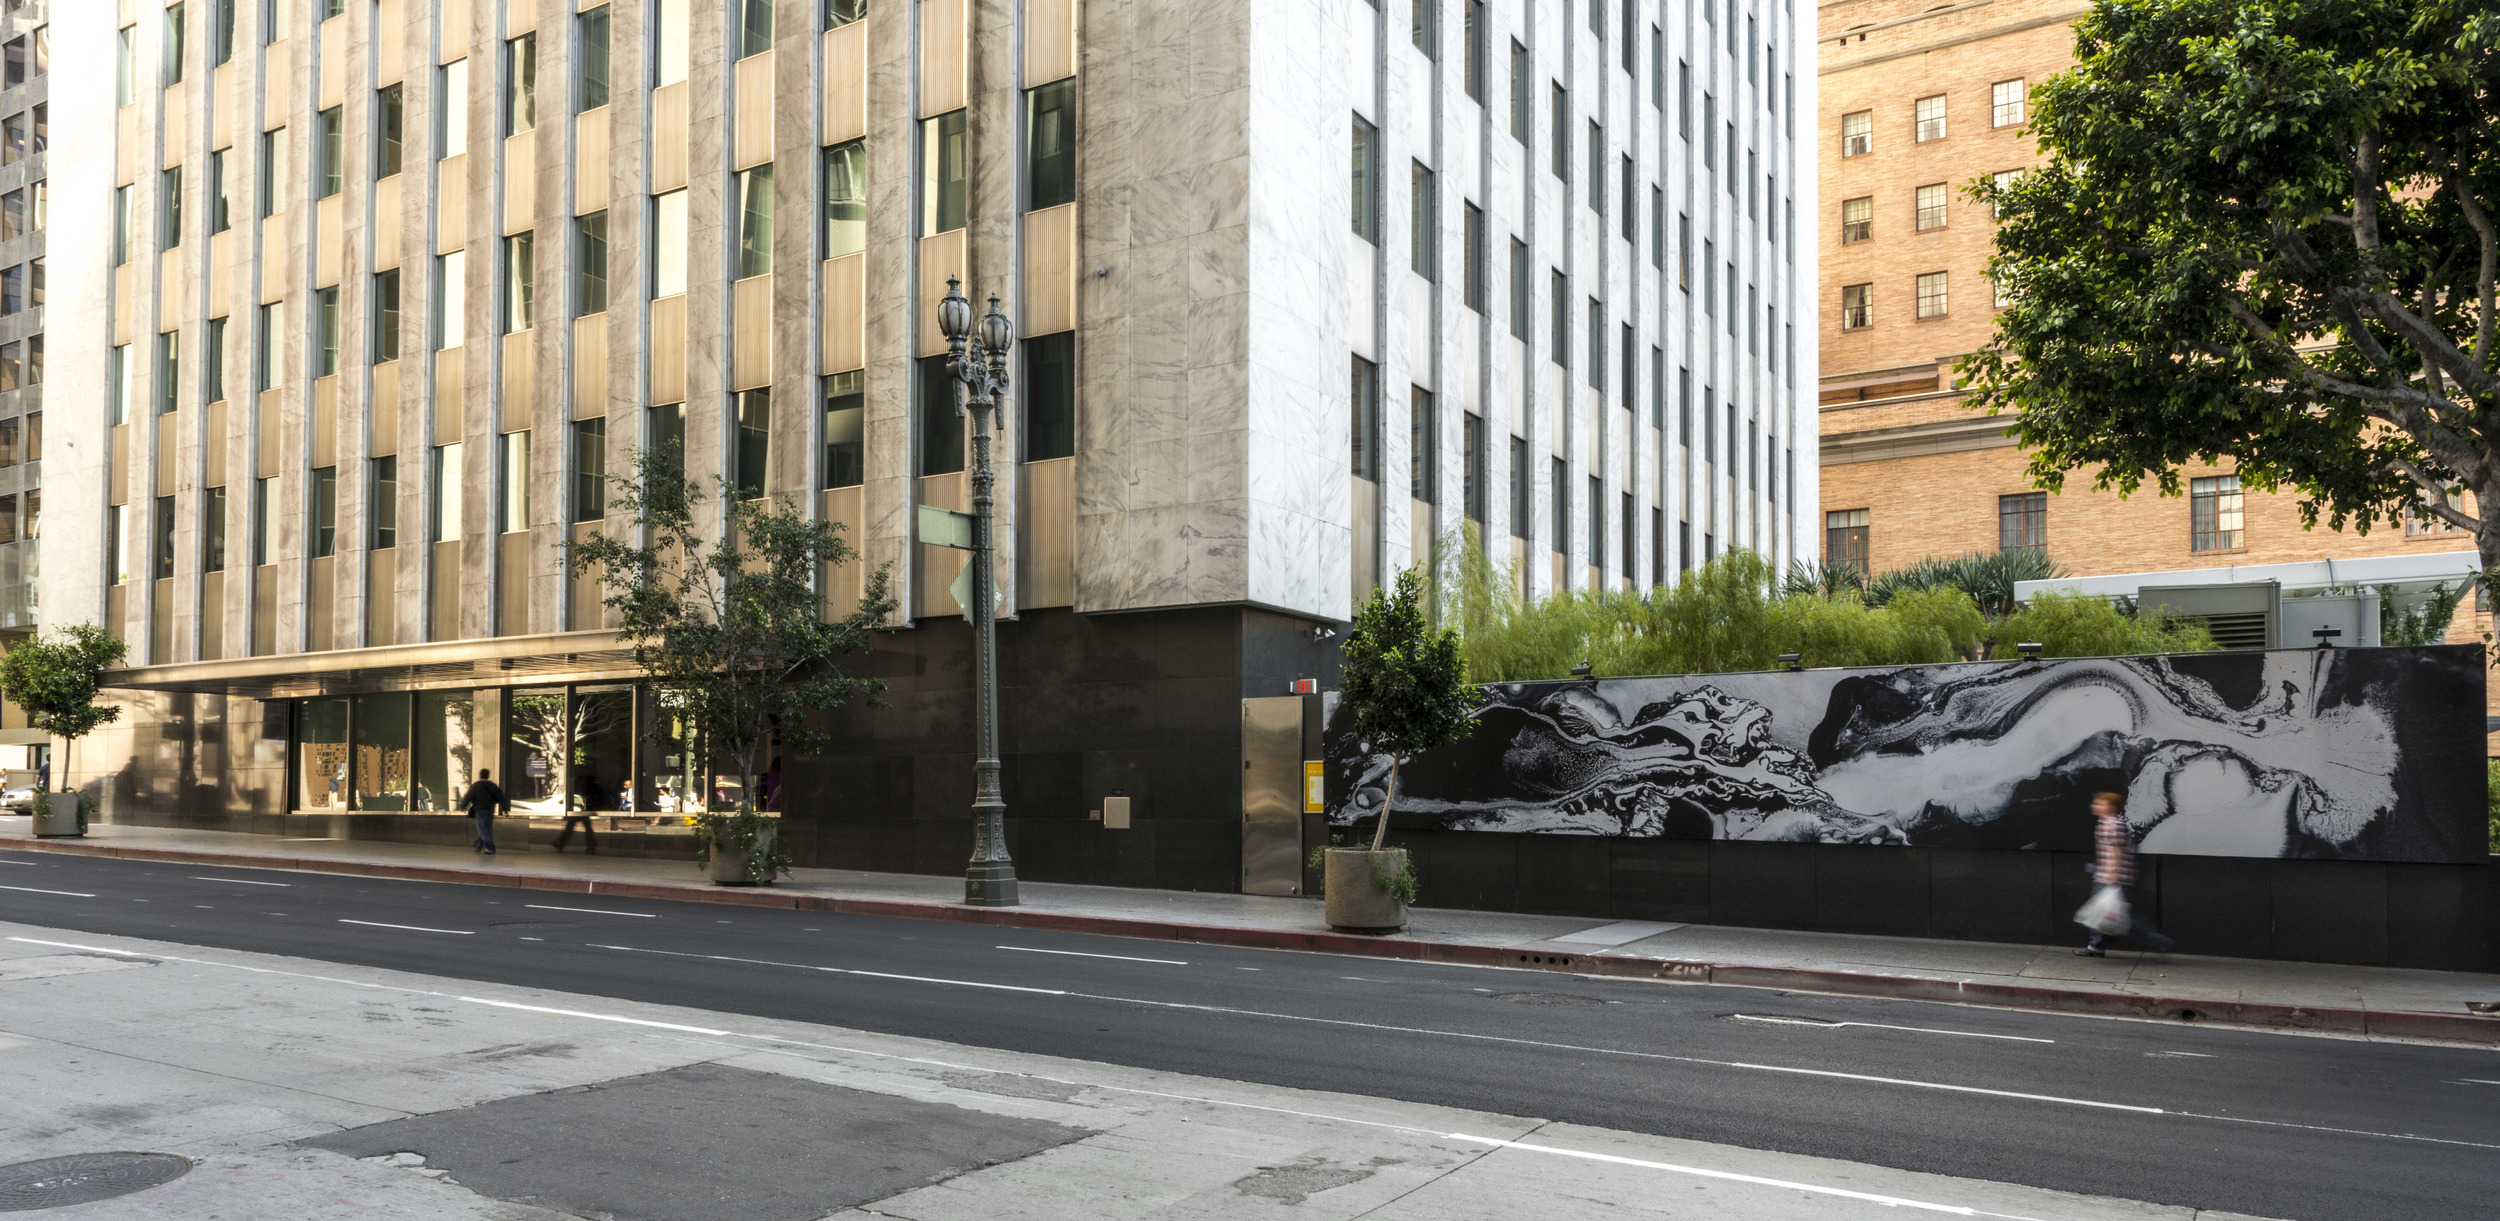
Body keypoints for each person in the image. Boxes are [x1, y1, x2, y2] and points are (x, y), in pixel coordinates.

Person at [2077, 791, 2174, 956]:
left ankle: (2156, 939)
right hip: (2112, 876)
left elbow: (2116, 852)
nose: (2094, 806)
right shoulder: (2110, 823)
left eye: (2100, 803)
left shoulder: (2111, 825)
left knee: (2117, 916)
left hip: (2112, 878)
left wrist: (2113, 877)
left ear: (2111, 807)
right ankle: (2096, 945)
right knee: (2102, 912)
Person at [556, 773, 603, 854]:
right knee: (587, 828)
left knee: (570, 827)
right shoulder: (592, 786)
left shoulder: (582, 786)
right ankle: (591, 847)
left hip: (581, 810)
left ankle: (560, 843)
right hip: (584, 810)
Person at [462, 769, 507, 855]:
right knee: (485, 829)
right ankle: (478, 844)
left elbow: (469, 796)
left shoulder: (476, 785)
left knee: (483, 830)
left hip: (480, 810)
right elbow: (501, 797)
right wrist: (505, 808)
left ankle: (490, 848)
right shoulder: (493, 785)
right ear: (488, 775)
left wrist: (463, 805)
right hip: (490, 810)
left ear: (480, 775)